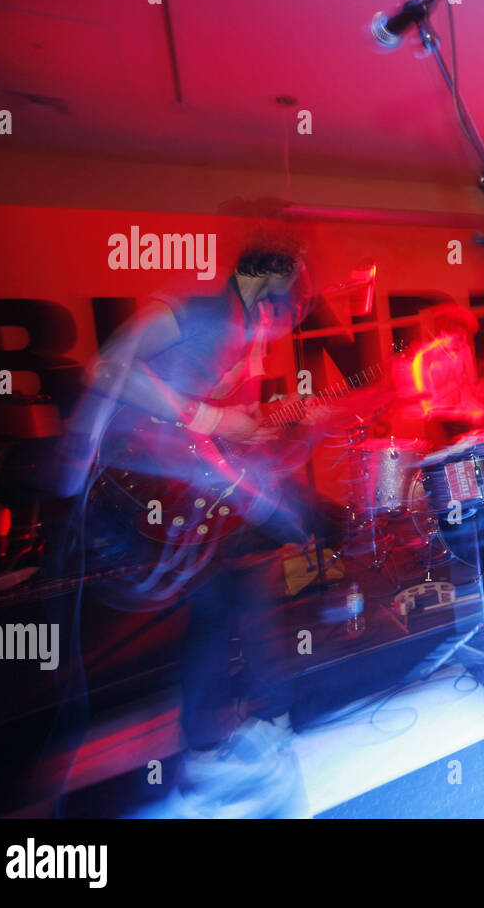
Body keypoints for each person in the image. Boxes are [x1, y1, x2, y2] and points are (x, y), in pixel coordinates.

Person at [67, 240, 315, 816]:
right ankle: (230, 742)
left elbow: (209, 436)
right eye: (286, 311)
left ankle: (218, 747)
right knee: (230, 590)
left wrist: (253, 440)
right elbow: (104, 367)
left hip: (171, 489)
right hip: (134, 485)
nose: (278, 331)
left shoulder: (235, 340)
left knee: (223, 600)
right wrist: (213, 421)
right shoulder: (201, 312)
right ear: (267, 297)